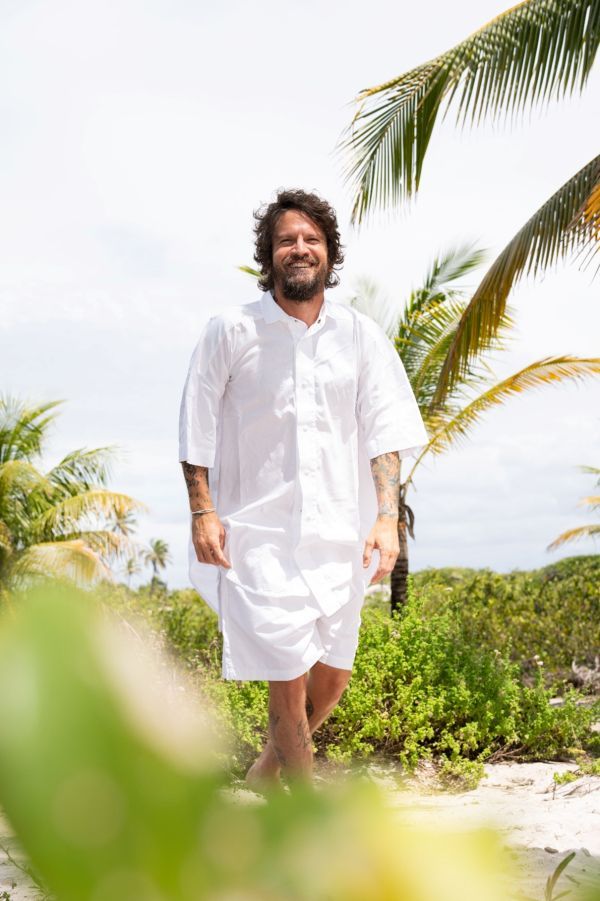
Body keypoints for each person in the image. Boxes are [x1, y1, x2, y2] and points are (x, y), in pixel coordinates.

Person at [179, 188, 429, 789]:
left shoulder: (360, 335)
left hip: (340, 531)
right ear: (269, 255)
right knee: (287, 677)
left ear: (329, 254)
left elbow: (386, 431)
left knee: (333, 678)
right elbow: (195, 423)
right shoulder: (230, 330)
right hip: (257, 535)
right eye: (286, 239)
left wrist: (387, 518)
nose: (299, 248)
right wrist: (202, 511)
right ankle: (302, 805)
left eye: (311, 239)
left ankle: (266, 773)